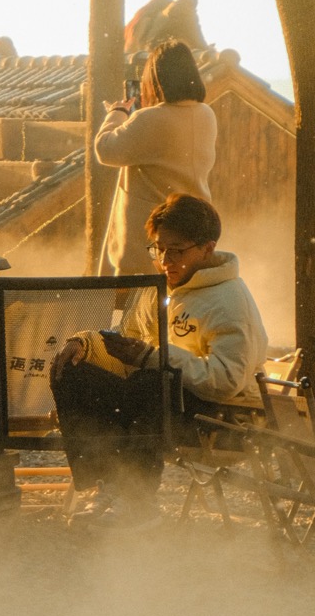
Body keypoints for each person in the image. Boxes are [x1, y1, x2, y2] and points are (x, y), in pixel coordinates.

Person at [50, 193, 267, 508]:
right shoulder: (159, 288)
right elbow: (128, 339)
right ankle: (107, 483)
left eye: (176, 250)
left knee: (153, 383)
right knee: (69, 371)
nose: (165, 260)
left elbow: (226, 380)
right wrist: (84, 343)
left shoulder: (230, 301)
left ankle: (137, 503)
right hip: (157, 403)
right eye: (159, 249)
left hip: (221, 419)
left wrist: (153, 358)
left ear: (208, 249)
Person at [93, 39, 217, 276]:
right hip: (191, 233)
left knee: (131, 304)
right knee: (175, 301)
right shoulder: (206, 115)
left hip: (150, 237)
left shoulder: (150, 119)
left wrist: (117, 113)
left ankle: (123, 315)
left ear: (157, 80)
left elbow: (105, 149)